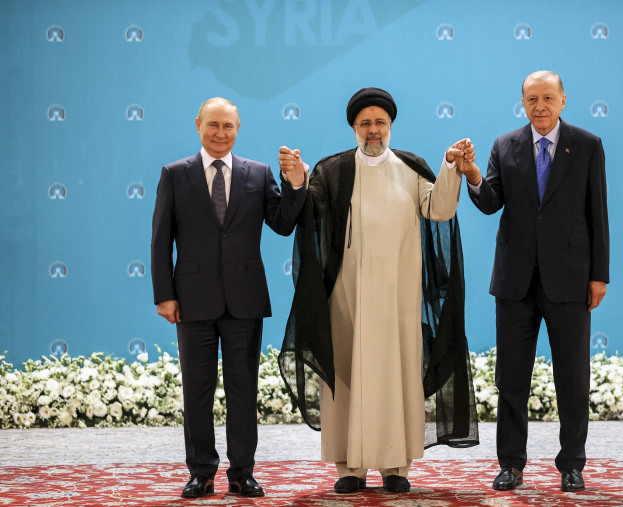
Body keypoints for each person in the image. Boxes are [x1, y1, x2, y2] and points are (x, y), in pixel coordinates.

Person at [277, 87, 479, 494]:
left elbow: (439, 209)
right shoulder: (332, 170)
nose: (373, 130)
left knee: (396, 377)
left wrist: (451, 166)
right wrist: (297, 181)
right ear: (354, 127)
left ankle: (395, 466)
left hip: (399, 300)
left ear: (391, 126)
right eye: (365, 123)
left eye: (380, 122)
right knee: (347, 379)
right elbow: (310, 210)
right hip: (346, 298)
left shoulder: (411, 167)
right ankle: (348, 469)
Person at [150, 97, 306, 498]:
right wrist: (164, 295)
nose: (220, 134)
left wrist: (296, 184)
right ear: (198, 124)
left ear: (239, 129)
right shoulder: (174, 173)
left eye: (229, 127)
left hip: (245, 301)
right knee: (196, 390)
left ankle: (242, 473)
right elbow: (160, 240)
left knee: (243, 389)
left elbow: (283, 224)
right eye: (213, 125)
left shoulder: (259, 173)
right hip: (192, 300)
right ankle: (201, 472)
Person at [464, 71, 609, 492]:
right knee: (511, 378)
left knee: (572, 376)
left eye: (548, 98)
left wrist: (599, 274)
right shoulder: (503, 146)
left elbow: (597, 212)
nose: (540, 106)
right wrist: (473, 173)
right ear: (522, 103)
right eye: (532, 99)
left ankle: (572, 464)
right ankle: (511, 463)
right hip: (515, 282)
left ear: (563, 100)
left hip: (570, 279)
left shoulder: (586, 145)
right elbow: (491, 203)